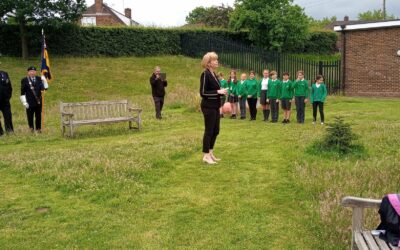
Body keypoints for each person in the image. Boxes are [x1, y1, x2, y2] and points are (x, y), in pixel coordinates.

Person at [200, 52, 227, 165]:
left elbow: (215, 91)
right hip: (208, 106)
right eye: (214, 60)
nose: (217, 61)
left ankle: (210, 153)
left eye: (217, 59)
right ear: (208, 63)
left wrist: (222, 92)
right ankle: (205, 155)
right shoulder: (205, 74)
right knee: (209, 131)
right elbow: (203, 92)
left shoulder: (213, 74)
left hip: (215, 106)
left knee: (216, 130)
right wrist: (218, 92)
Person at [20, 66, 46, 132]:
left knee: (38, 116)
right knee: (30, 116)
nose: (32, 72)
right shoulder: (24, 80)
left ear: (36, 72)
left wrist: (45, 81)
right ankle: (31, 129)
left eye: (34, 71)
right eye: (31, 71)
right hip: (29, 102)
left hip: (38, 102)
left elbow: (45, 89)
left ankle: (38, 129)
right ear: (28, 72)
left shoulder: (39, 79)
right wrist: (24, 102)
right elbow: (22, 93)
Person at [0, 70, 14, 136]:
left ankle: (9, 131)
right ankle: (0, 133)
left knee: (8, 116)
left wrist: (8, 96)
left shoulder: (4, 73)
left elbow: (9, 86)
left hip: (5, 100)